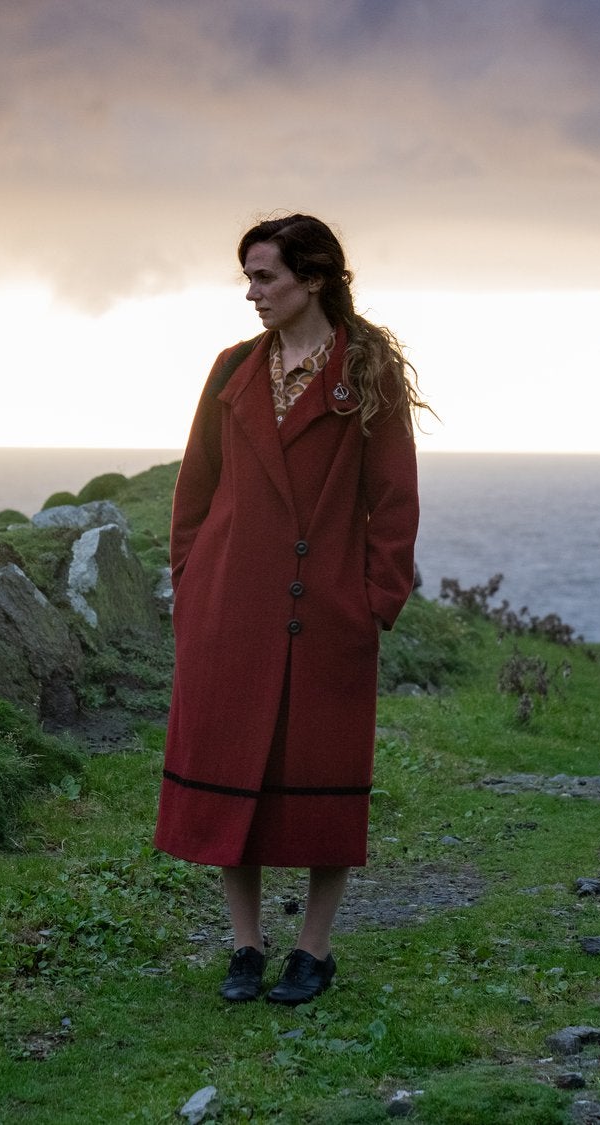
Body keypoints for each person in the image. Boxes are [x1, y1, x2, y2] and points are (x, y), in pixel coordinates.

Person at [154, 214, 425, 1005]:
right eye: (247, 277)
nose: (252, 293)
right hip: (228, 606)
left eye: (265, 277)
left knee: (320, 773)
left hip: (324, 608)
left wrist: (375, 601)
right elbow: (195, 487)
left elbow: (394, 496)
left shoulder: (366, 373)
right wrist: (191, 580)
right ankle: (245, 945)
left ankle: (314, 948)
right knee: (228, 766)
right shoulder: (233, 369)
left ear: (313, 278)